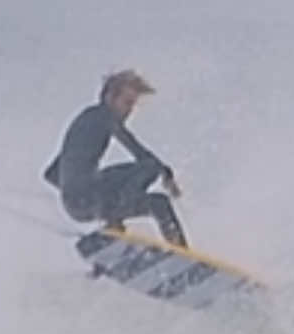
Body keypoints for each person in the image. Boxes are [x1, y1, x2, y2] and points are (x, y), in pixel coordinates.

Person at [43, 70, 187, 246]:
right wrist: (166, 173)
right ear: (110, 97)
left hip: (77, 204)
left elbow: (50, 174)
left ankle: (111, 240)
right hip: (92, 197)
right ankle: (180, 251)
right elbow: (137, 150)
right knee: (151, 171)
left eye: (133, 105)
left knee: (156, 203)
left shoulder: (85, 120)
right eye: (127, 103)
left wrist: (78, 195)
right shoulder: (104, 115)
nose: (130, 111)